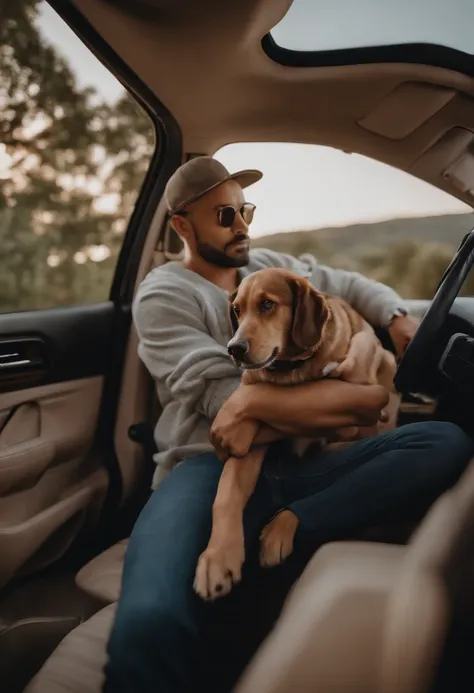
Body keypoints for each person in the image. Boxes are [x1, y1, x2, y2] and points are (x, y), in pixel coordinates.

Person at [103, 157, 474, 693]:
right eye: (225, 215)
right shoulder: (163, 295)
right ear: (183, 226)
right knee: (148, 622)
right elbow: (231, 405)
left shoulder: (272, 266)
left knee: (444, 442)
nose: (241, 226)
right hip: (207, 468)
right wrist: (361, 397)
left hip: (306, 463)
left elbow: (345, 283)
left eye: (245, 211)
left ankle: (295, 524)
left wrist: (394, 320)